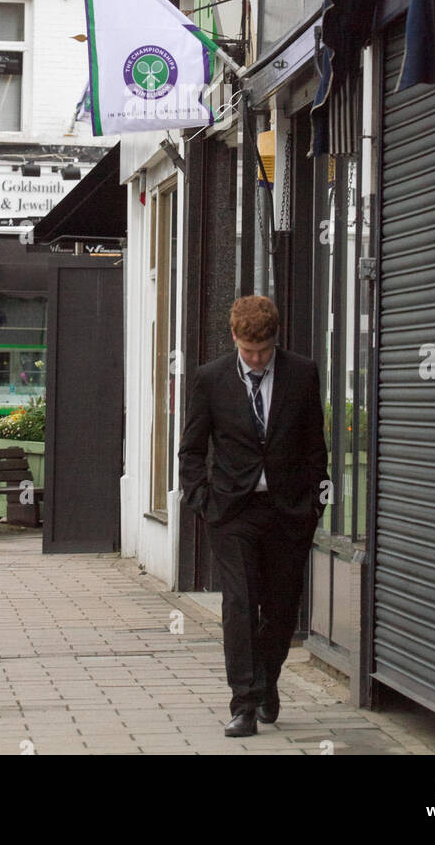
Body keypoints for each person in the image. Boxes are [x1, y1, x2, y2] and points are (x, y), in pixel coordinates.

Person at [178, 295, 328, 736]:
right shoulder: (211, 379)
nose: (257, 359)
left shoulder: (302, 374)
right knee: (240, 604)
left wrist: (315, 504)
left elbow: (315, 445)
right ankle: (243, 703)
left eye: (263, 351)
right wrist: (200, 500)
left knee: (282, 607)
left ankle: (268, 680)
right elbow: (191, 449)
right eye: (248, 351)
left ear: (275, 340)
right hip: (233, 511)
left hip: (288, 511)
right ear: (234, 338)